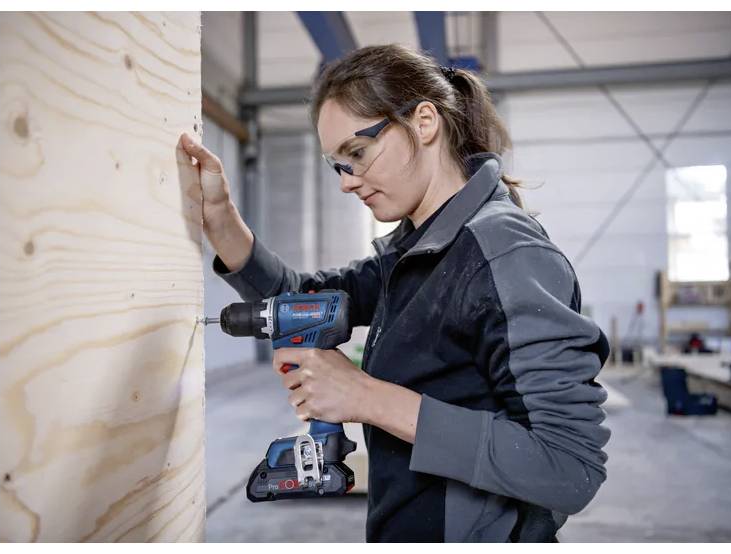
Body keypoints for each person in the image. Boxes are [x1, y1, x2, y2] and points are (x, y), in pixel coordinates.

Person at [179, 44, 611, 543]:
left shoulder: (505, 254)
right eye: (337, 165)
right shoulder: (415, 253)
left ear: (424, 122)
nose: (346, 183)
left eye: (357, 154)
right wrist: (221, 218)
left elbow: (568, 466)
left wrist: (365, 396)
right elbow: (300, 302)